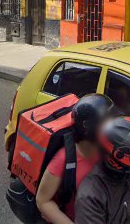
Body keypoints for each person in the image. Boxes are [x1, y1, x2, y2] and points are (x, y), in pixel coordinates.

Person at [36, 94, 114, 224]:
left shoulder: (109, 149)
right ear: (89, 128)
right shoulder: (63, 159)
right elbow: (42, 201)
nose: (112, 126)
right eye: (106, 121)